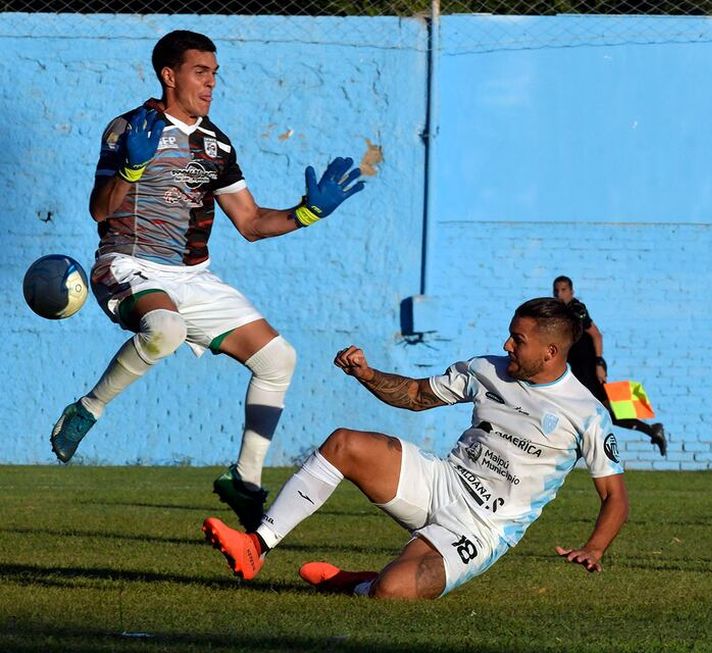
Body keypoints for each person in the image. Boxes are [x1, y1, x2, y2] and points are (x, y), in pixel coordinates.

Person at [49, 30, 365, 530]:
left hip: (193, 277)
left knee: (278, 359)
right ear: (169, 75)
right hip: (129, 265)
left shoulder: (216, 143)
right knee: (166, 331)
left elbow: (252, 223)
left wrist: (307, 214)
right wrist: (131, 169)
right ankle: (88, 409)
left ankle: (246, 478)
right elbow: (98, 210)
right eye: (201, 71)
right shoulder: (130, 128)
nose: (211, 83)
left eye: (215, 73)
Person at [202, 297, 629, 599]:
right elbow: (416, 395)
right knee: (345, 444)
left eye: (518, 339)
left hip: (481, 528)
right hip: (441, 481)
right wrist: (367, 375)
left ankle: (360, 583)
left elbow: (614, 497)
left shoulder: (586, 412)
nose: (506, 346)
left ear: (551, 351)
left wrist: (594, 547)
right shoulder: (485, 370)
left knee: (393, 592)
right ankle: (256, 546)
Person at [552, 276, 667, 456]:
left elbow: (597, 335)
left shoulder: (577, 309)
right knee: (606, 413)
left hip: (590, 369)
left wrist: (599, 363)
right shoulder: (560, 313)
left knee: (602, 411)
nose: (559, 294)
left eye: (563, 290)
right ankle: (652, 430)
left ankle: (580, 448)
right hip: (579, 370)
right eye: (556, 290)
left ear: (571, 292)